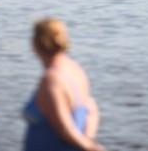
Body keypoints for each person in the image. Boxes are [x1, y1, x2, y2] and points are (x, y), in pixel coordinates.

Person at [23, 18, 106, 151]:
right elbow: (91, 111)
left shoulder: (51, 80)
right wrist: (88, 139)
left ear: (35, 45)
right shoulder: (76, 70)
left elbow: (64, 131)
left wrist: (91, 148)